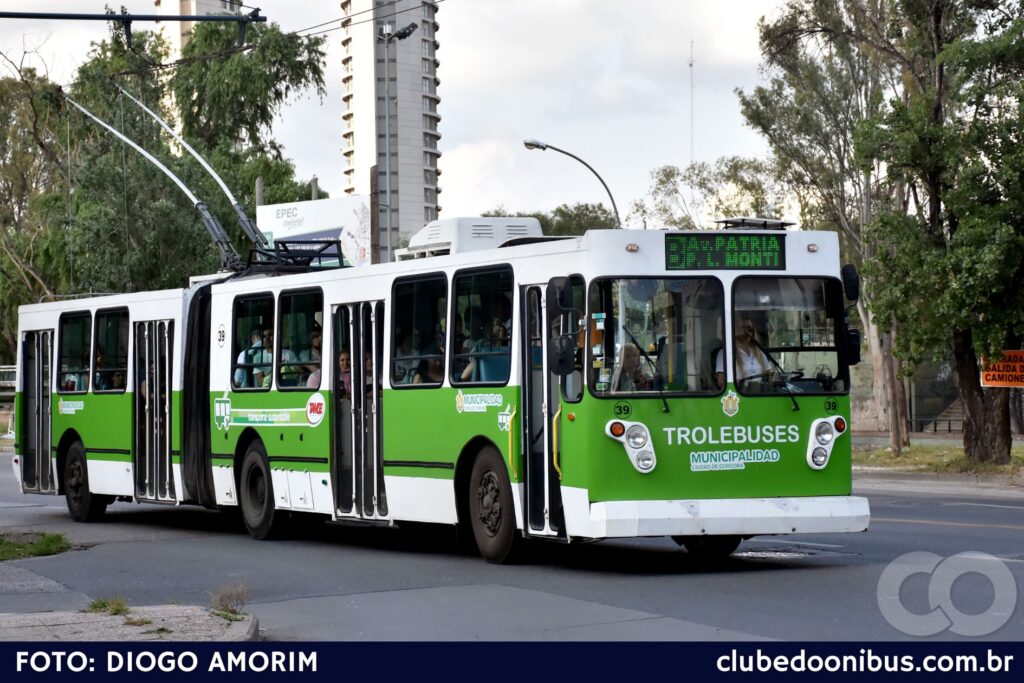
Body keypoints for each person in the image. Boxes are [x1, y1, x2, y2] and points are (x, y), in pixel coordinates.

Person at [715, 314, 771, 388]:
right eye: (743, 328)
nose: (747, 332)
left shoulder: (759, 352)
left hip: (759, 394)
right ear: (736, 331)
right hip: (739, 395)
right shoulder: (725, 353)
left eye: (749, 329)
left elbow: (769, 374)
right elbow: (721, 382)